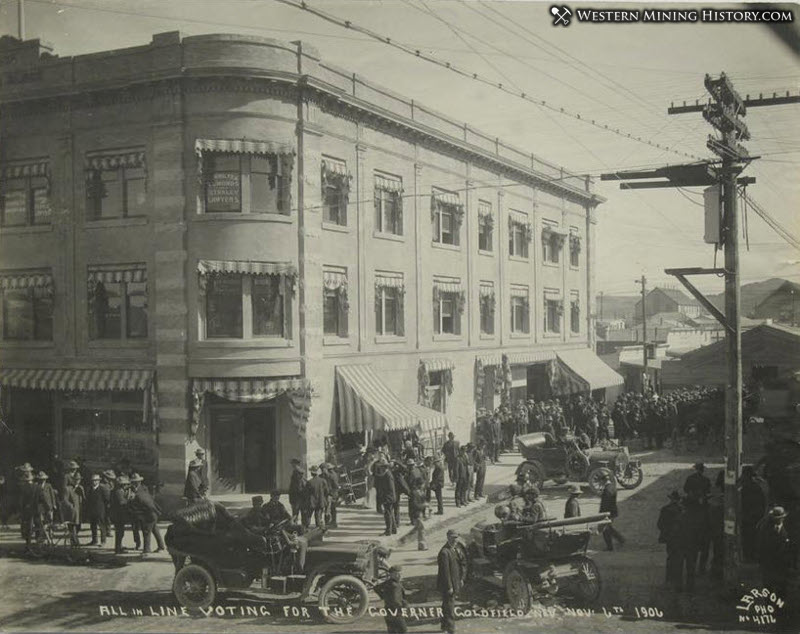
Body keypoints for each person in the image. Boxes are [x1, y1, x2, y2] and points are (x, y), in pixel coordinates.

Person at [757, 506, 794, 597]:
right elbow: (761, 546)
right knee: (768, 588)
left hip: (782, 565)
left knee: (781, 589)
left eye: (780, 518)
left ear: (783, 518)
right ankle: (768, 607)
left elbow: (791, 548)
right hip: (769, 564)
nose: (778, 520)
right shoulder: (766, 529)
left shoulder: (788, 530)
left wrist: (790, 563)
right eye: (775, 518)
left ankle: (780, 608)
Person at [127, 473, 164, 556]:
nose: (133, 484)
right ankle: (161, 546)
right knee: (154, 529)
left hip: (149, 515)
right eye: (133, 482)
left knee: (146, 531)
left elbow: (149, 504)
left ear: (138, 482)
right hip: (150, 514)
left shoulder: (140, 493)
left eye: (134, 482)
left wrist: (157, 512)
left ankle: (146, 550)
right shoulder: (141, 489)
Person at [437, 529, 463, 634]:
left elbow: (460, 565)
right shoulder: (444, 552)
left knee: (446, 605)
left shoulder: (454, 549)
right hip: (447, 584)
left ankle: (444, 626)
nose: (455, 540)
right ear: (448, 537)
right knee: (449, 607)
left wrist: (461, 579)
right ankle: (451, 629)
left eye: (456, 537)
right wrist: (449, 587)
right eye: (453, 538)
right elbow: (445, 572)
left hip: (454, 582)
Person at [740, 465, 767, 563]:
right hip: (753, 517)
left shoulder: (749, 487)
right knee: (751, 538)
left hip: (750, 518)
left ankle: (750, 557)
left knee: (748, 539)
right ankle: (751, 557)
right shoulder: (756, 486)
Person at [657, 490, 684, 589]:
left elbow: (659, 524)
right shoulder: (683, 510)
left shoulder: (665, 509)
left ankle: (669, 579)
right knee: (679, 559)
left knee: (670, 558)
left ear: (671, 499)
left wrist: (666, 531)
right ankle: (678, 582)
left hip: (670, 538)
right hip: (680, 538)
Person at [375, 565, 409, 634]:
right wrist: (404, 606)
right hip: (396, 611)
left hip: (387, 611)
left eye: (400, 573)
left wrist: (383, 596)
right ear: (391, 575)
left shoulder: (388, 582)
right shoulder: (395, 586)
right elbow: (395, 600)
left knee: (392, 631)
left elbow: (376, 588)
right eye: (396, 574)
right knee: (403, 630)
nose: (399, 576)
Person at [599, 475, 625, 551]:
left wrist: (603, 514)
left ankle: (610, 547)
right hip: (612, 511)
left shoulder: (607, 490)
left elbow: (606, 503)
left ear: (603, 481)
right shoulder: (613, 487)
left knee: (605, 530)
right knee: (609, 528)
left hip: (607, 512)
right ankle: (621, 539)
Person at [85, 473, 109, 546]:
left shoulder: (102, 489)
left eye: (96, 480)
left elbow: (107, 500)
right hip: (92, 511)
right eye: (93, 480)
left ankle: (103, 541)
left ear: (99, 481)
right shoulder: (89, 489)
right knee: (93, 526)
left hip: (100, 511)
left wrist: (105, 510)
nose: (94, 482)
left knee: (102, 526)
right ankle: (94, 540)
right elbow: (87, 500)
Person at [374, 458, 397, 536]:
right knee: (390, 512)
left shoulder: (387, 475)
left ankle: (388, 531)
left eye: (381, 467)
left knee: (387, 514)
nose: (380, 468)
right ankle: (393, 529)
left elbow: (390, 489)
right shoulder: (386, 474)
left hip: (388, 497)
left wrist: (386, 498)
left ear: (384, 467)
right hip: (389, 497)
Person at [110, 474, 130, 554]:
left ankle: (119, 547)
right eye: (125, 484)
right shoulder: (118, 492)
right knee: (119, 532)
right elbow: (122, 502)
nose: (126, 486)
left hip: (117, 515)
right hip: (118, 515)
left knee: (120, 532)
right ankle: (118, 549)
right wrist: (128, 500)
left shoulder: (117, 491)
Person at [320, 463, 339, 528]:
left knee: (332, 508)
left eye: (323, 469)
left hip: (332, 494)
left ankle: (333, 522)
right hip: (326, 495)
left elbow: (336, 486)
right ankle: (328, 523)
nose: (322, 471)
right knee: (327, 509)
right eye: (321, 469)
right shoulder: (322, 476)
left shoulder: (332, 476)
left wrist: (331, 495)